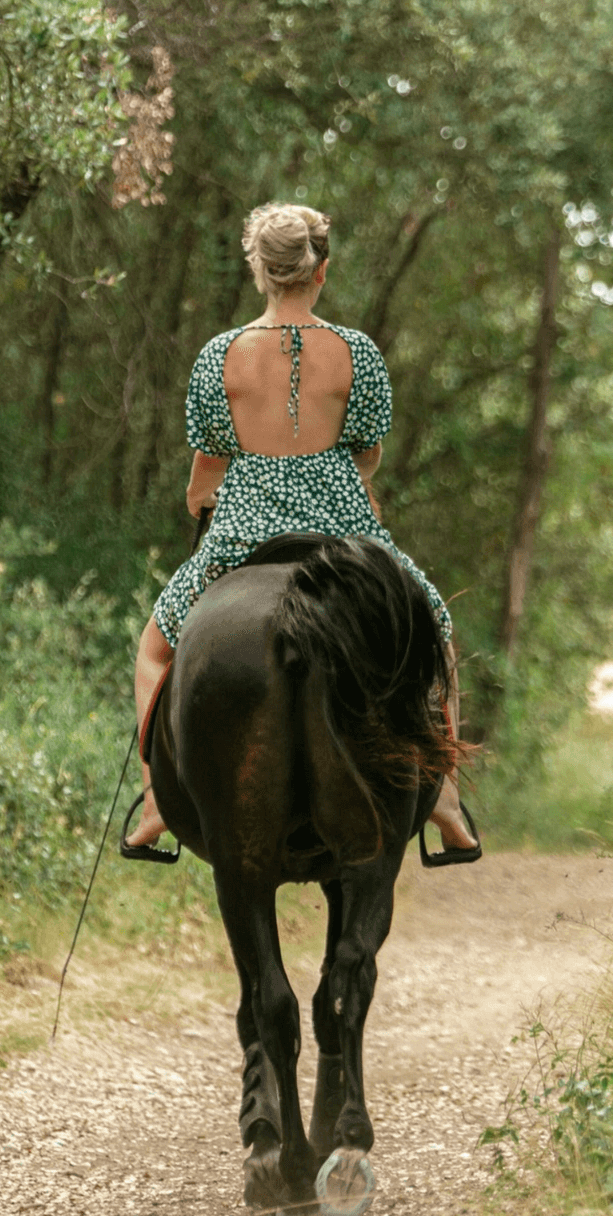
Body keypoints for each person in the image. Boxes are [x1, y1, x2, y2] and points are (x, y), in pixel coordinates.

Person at [122, 201, 480, 862]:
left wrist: (202, 498)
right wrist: (338, 470)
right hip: (345, 534)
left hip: (243, 531)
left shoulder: (220, 355)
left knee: (154, 647)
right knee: (435, 628)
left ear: (260, 269)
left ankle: (154, 802)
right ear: (321, 271)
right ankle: (446, 797)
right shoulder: (357, 353)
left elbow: (207, 466)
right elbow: (367, 452)